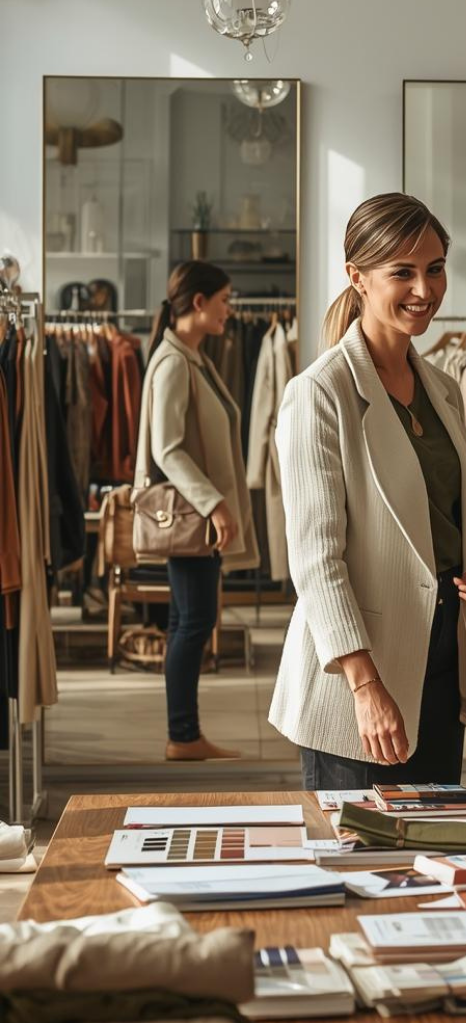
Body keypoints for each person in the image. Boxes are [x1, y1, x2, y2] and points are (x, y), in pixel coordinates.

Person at [269, 193, 466, 789]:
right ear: (357, 277)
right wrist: (365, 684)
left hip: (442, 666)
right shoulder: (319, 392)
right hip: (360, 679)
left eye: (434, 268)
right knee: (359, 869)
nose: (424, 289)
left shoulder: (444, 388)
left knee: (431, 867)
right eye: (402, 272)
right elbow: (316, 561)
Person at [136, 262, 258, 761]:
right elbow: (168, 449)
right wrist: (215, 504)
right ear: (200, 302)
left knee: (186, 622)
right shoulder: (173, 363)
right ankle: (183, 736)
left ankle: (184, 734)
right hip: (191, 517)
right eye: (225, 300)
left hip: (197, 516)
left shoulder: (192, 357)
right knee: (195, 622)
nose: (231, 310)